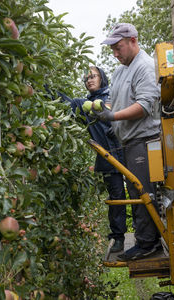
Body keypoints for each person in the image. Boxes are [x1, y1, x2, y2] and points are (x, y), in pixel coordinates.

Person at [93, 23, 162, 261]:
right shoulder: (120, 70)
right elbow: (116, 103)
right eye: (112, 48)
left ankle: (148, 243)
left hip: (145, 140)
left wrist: (113, 117)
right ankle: (146, 239)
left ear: (133, 40)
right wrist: (105, 112)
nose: (115, 53)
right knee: (134, 190)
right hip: (128, 142)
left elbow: (143, 106)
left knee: (142, 191)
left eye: (118, 47)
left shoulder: (144, 67)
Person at [58, 66, 127, 253]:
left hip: (128, 151)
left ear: (102, 78)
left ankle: (146, 235)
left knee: (140, 193)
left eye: (93, 76)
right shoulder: (84, 106)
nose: (89, 80)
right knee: (117, 198)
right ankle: (118, 237)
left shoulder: (113, 96)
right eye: (86, 77)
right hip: (108, 158)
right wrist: (48, 90)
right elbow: (67, 105)